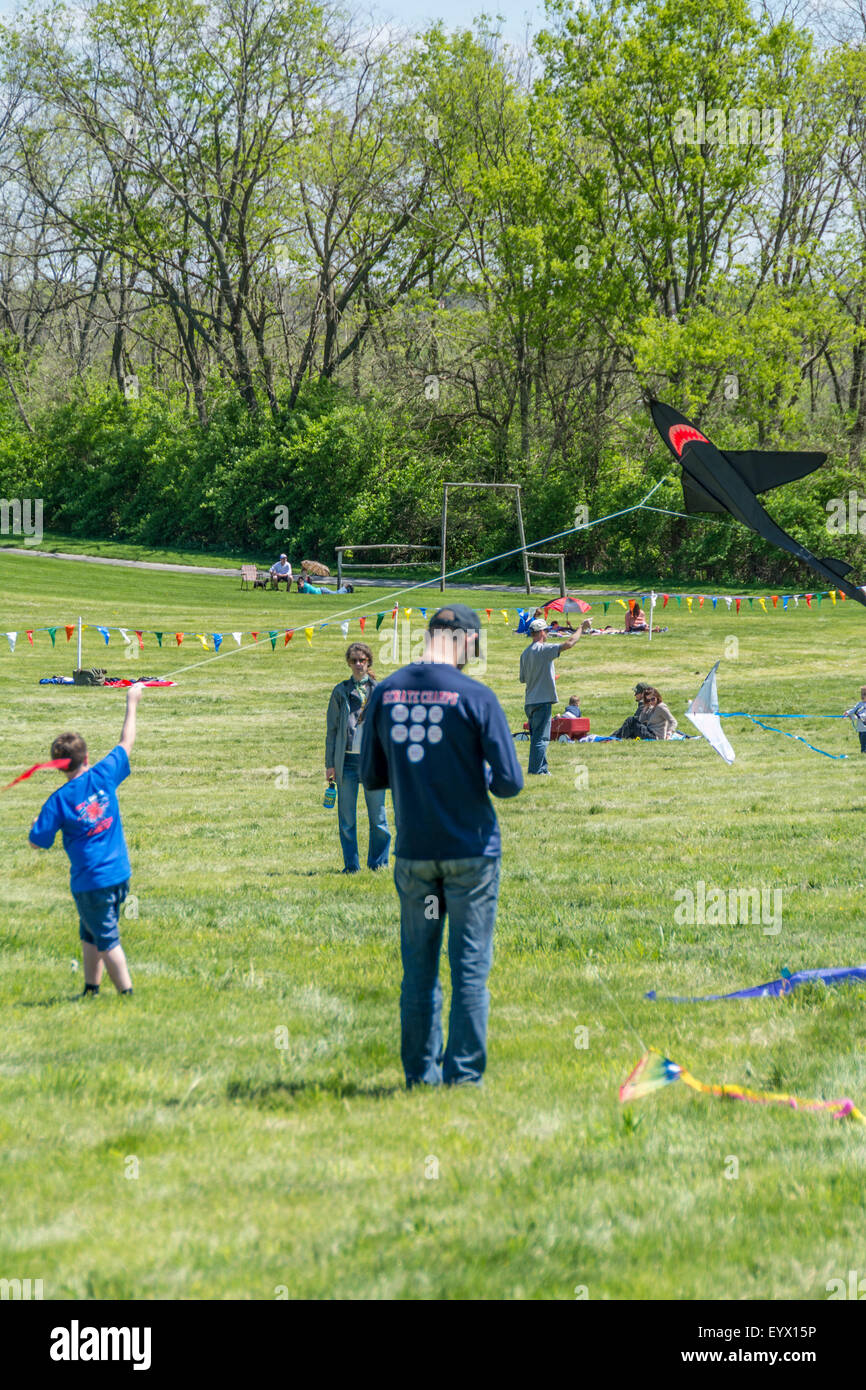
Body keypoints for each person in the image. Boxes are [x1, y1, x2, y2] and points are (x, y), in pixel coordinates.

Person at [360, 604, 523, 1088]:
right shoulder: (476, 696)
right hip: (470, 854)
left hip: (416, 855)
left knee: (420, 971)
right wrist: (482, 771)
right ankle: (465, 1077)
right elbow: (510, 782)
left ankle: (420, 1075)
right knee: (469, 969)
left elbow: (371, 775)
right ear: (466, 640)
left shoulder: (387, 691)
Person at [27, 684, 144, 997]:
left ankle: (127, 996)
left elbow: (38, 842)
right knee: (90, 932)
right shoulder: (104, 774)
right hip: (120, 874)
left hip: (91, 883)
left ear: (57, 766)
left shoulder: (59, 801)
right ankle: (92, 988)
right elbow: (126, 741)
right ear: (87, 757)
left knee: (106, 938)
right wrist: (132, 701)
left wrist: (35, 827)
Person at [325, 643, 391, 874]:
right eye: (354, 660)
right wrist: (330, 765)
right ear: (349, 663)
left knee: (378, 818)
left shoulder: (380, 690)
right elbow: (332, 730)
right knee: (347, 820)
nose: (358, 664)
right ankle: (351, 866)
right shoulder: (340, 691)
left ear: (369, 661)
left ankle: (379, 864)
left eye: (362, 660)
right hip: (346, 762)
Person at [519, 616, 592, 774]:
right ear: (541, 633)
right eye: (546, 631)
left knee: (537, 738)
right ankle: (536, 771)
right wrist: (581, 627)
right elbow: (569, 643)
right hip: (542, 701)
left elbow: (523, 679)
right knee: (541, 739)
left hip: (529, 702)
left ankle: (543, 769)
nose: (547, 634)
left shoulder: (524, 654)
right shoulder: (543, 650)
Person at [843, 685, 866, 753]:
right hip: (861, 728)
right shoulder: (859, 704)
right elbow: (853, 710)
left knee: (865, 742)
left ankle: (864, 751)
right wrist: (847, 713)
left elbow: (864, 715)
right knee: (862, 740)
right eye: (862, 694)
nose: (862, 696)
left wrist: (855, 717)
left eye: (865, 694)